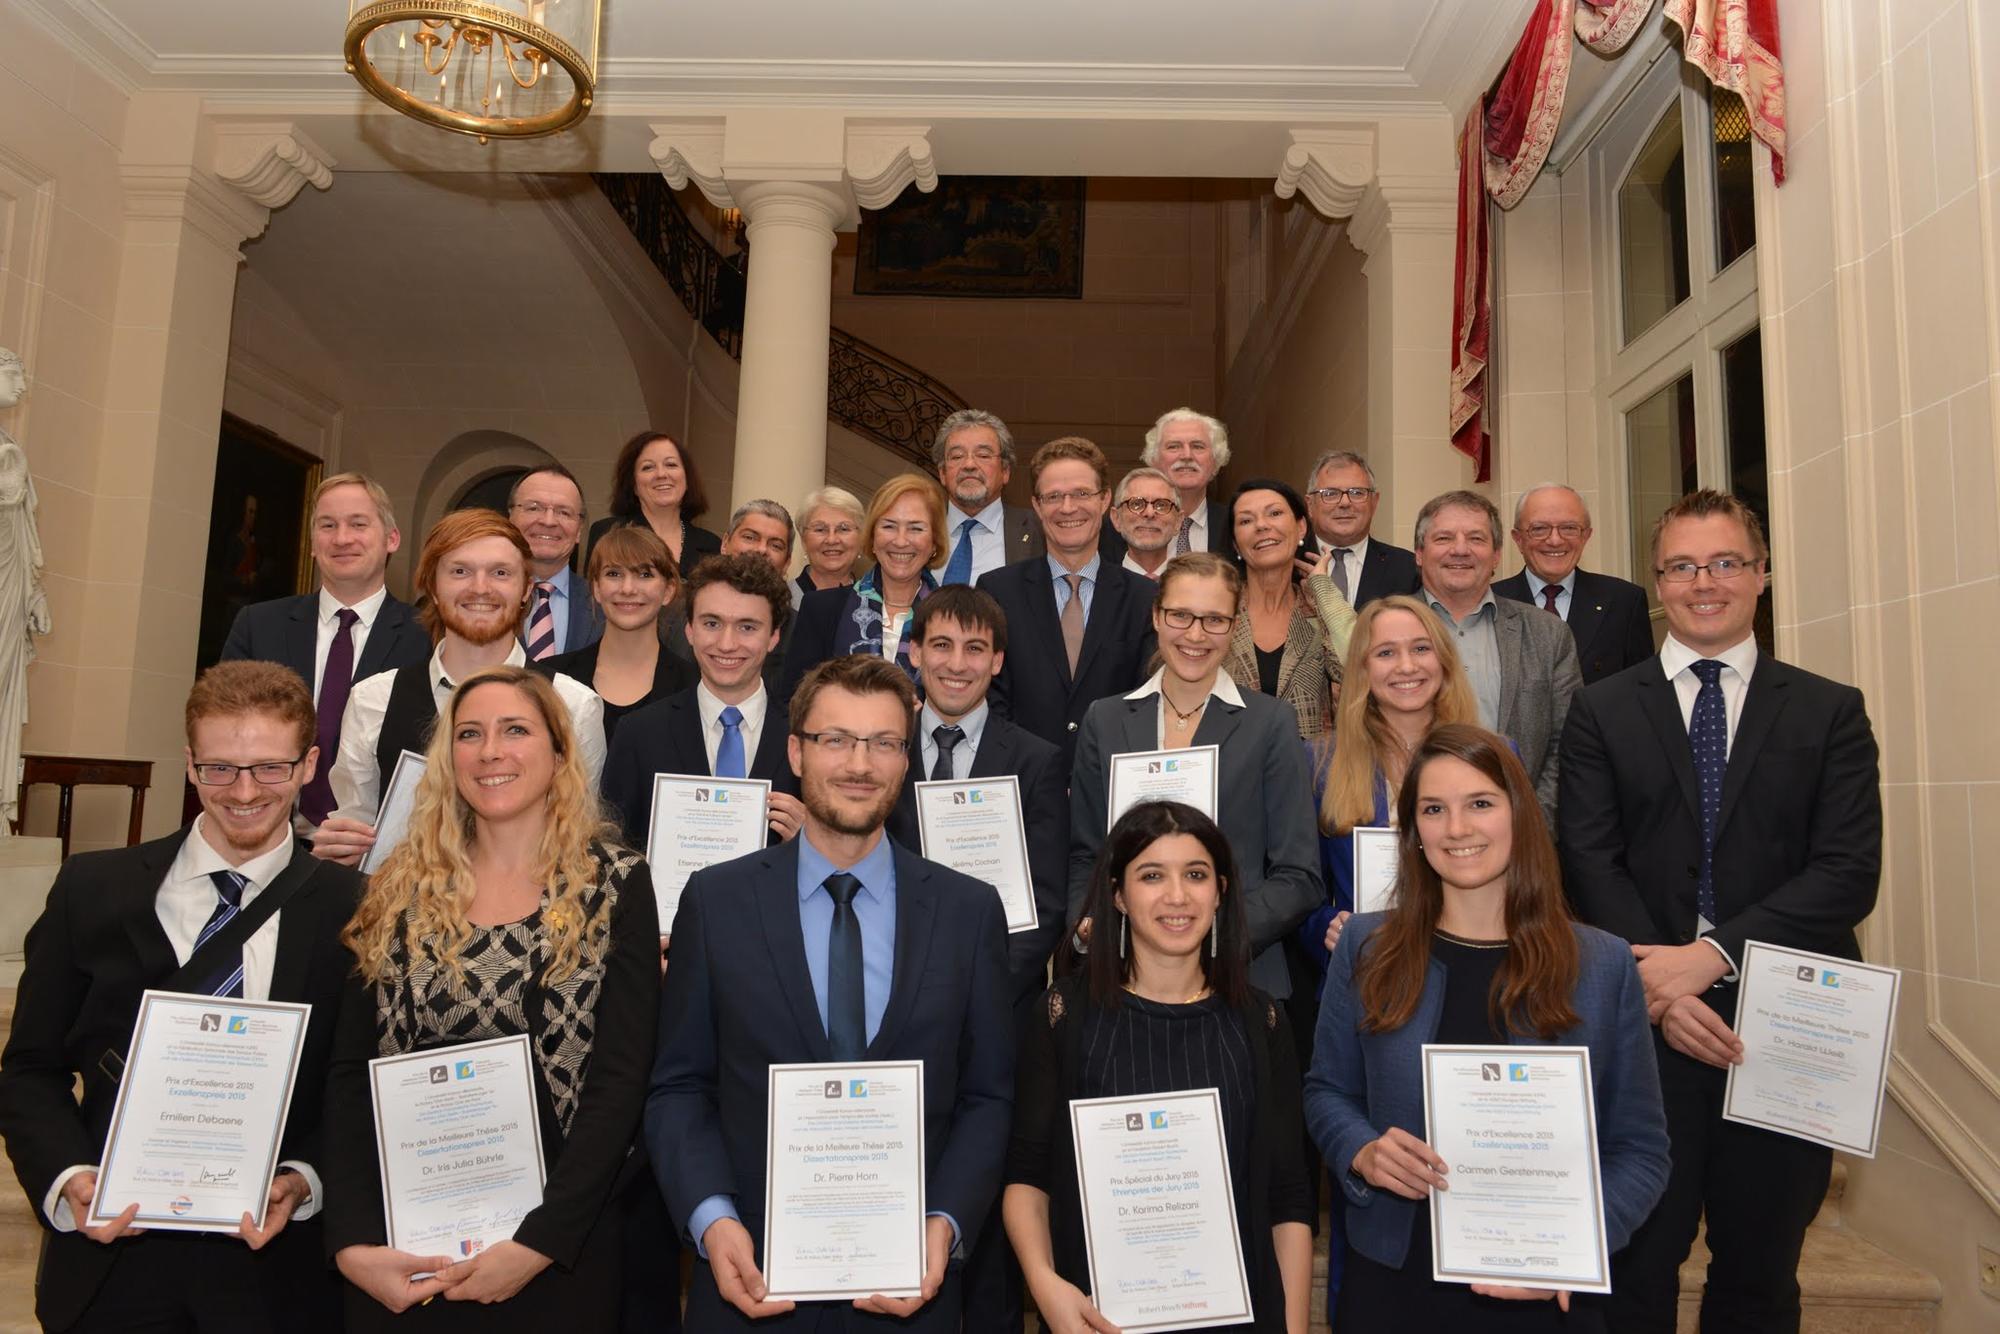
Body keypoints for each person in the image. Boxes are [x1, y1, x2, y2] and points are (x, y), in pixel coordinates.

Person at [1558, 489, 1881, 1334]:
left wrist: (1709, 960)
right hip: (1642, 1022)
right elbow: (1588, 860)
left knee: (1761, 1272)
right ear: (1657, 582)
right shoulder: (1598, 709)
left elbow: (1848, 873)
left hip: (1786, 1030)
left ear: (1761, 575)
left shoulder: (1829, 709)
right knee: (1635, 1265)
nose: (1705, 582)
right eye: (1682, 566)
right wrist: (1664, 989)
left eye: (1726, 562)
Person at [647, 654, 1014, 1332]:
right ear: (795, 751)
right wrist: (712, 1221)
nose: (859, 764)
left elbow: (987, 1097)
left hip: (912, 1291)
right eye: (835, 740)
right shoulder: (717, 900)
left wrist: (945, 1225)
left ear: (906, 761)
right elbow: (679, 1088)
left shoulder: (968, 911)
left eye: (883, 743)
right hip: (750, 1284)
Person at [0, 661, 364, 1333]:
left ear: (309, 764)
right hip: (112, 1255)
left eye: (270, 768)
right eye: (221, 768)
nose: (245, 791)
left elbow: (354, 1085)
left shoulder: (355, 910)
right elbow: (29, 1069)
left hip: (275, 1269)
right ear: (191, 765)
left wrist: (305, 1178)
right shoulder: (94, 890)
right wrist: (67, 1177)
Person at [323, 666, 660, 1329]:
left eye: (515, 730)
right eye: (469, 734)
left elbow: (621, 1083)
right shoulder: (395, 887)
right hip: (407, 1254)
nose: (491, 752)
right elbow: (348, 1076)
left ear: (560, 751)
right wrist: (354, 1242)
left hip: (558, 1254)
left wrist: (539, 1243)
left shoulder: (615, 885)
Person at [1304, 724, 1670, 1333]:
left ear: (1519, 815)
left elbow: (1641, 1150)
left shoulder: (1602, 965)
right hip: (1394, 1280)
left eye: (1480, 803)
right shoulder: (1366, 947)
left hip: (1542, 1288)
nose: (1457, 828)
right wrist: (1361, 1150)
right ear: (1414, 832)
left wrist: (1573, 1250)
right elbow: (1325, 1091)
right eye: (1433, 809)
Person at [1007, 801, 1313, 1334]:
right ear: (1119, 896)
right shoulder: (1063, 1013)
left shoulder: (1261, 1021)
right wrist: (1043, 1282)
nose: (1177, 896)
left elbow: (1287, 1197)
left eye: (1195, 875)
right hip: (1098, 1318)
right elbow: (1027, 1177)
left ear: (1219, 891)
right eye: (1152, 876)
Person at [884, 585, 1067, 1334]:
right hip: (890, 1018)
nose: (955, 665)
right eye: (940, 646)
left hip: (1000, 1019)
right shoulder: (879, 748)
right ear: (916, 653)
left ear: (996, 661)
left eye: (973, 649)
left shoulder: (1038, 760)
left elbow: (1049, 901)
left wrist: (974, 992)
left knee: (985, 1204)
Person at [1068, 552, 1322, 1001]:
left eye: (1214, 620)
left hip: (1239, 978)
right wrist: (1088, 921)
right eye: (1180, 615)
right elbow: (1086, 854)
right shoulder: (1104, 720)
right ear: (1156, 615)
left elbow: (1298, 875)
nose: (1195, 635)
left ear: (1235, 623)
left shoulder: (1270, 723)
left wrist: (1209, 937)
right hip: (1122, 976)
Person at [311, 509, 605, 867]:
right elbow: (356, 823)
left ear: (526, 588)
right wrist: (342, 849)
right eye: (460, 571)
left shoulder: (573, 705)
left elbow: (578, 834)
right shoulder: (373, 699)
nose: (480, 588)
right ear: (433, 587)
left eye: (500, 573)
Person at [220, 471, 429, 823]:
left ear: (391, 538)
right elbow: (223, 727)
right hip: (268, 833)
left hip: (381, 844)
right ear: (313, 544)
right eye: (327, 526)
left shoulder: (426, 636)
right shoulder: (258, 625)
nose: (342, 538)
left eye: (358, 524)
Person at [1304, 596, 1479, 975]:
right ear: (1363, 668)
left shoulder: (1491, 757)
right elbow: (1303, 887)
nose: (1406, 666)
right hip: (1364, 976)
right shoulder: (1319, 763)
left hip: (1472, 969)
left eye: (1421, 648)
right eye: (1385, 652)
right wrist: (1327, 927)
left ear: (1444, 661)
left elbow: (1522, 876)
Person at [601, 553, 805, 850]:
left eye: (747, 627)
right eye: (712, 623)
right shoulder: (639, 733)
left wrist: (813, 840)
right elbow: (610, 850)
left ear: (774, 636)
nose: (726, 643)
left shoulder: (807, 736)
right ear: (689, 630)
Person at [979, 438, 1157, 775]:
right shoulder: (997, 591)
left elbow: (1145, 702)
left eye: (1081, 494)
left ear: (1105, 499)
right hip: (1023, 785)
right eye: (1053, 496)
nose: (1067, 507)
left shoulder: (1144, 598)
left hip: (1111, 787)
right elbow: (990, 698)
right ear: (1036, 505)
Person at [1412, 490, 1579, 824]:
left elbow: (1567, 747)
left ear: (1497, 554)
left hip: (1522, 834)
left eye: (1476, 538)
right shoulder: (1383, 631)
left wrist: (1529, 828)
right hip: (1412, 831)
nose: (1460, 550)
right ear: (1419, 553)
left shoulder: (1548, 634)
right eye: (1444, 538)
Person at [781, 472, 946, 706]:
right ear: (872, 538)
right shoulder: (821, 609)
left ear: (935, 542)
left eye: (916, 529)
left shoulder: (953, 615)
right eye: (889, 526)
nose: (900, 541)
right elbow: (792, 703)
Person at [1223, 477, 1355, 741]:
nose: (1262, 525)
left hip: (1307, 772)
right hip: (1229, 770)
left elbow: (1358, 665)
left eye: (1274, 513)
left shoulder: (1319, 609)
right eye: (1246, 521)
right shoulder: (1218, 611)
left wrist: (1322, 587)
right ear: (1237, 545)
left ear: (1301, 527)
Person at [533, 523, 693, 741]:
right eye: (614, 573)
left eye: (645, 574)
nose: (627, 589)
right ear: (596, 588)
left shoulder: (694, 685)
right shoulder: (550, 678)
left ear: (669, 590)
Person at [1494, 484, 1653, 684]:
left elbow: (1642, 688)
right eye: (1539, 529)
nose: (1555, 540)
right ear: (1518, 539)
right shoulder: (1492, 603)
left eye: (1569, 528)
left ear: (1586, 536)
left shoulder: (1625, 601)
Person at [1102, 407, 1237, 563]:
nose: (1187, 455)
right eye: (1174, 446)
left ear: (1216, 461)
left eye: (1198, 446)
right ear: (1153, 459)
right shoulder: (1109, 531)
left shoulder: (1235, 524)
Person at [585, 431, 723, 575]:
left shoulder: (711, 545)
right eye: (648, 467)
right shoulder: (608, 532)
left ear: (687, 480)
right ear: (633, 484)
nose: (661, 474)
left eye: (671, 464)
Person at [934, 408, 1044, 585]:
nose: (969, 464)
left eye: (983, 455)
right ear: (942, 473)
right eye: (957, 456)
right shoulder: (919, 529)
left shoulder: (1040, 528)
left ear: (1005, 471)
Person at [1302, 450, 1418, 609]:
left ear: (1375, 502)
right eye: (1330, 494)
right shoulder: (1287, 565)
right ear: (1310, 505)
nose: (1344, 503)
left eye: (1357, 493)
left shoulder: (1408, 569)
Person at [511, 463, 603, 660]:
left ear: (579, 530)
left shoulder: (605, 605)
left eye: (564, 512)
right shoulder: (480, 596)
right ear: (510, 518)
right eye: (534, 508)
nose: (549, 521)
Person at [718, 498, 799, 687]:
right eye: (750, 537)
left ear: (787, 562)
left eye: (775, 545)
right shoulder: (681, 616)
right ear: (725, 543)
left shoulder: (800, 631)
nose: (761, 549)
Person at [794, 485, 865, 606]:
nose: (832, 540)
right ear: (803, 540)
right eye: (820, 529)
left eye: (844, 529)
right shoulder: (780, 602)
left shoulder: (875, 605)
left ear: (860, 539)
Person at [1110, 465, 1180, 578]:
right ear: (1116, 518)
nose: (1149, 513)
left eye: (1161, 505)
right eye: (1136, 504)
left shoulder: (1197, 586)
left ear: (1178, 521)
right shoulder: (1098, 587)